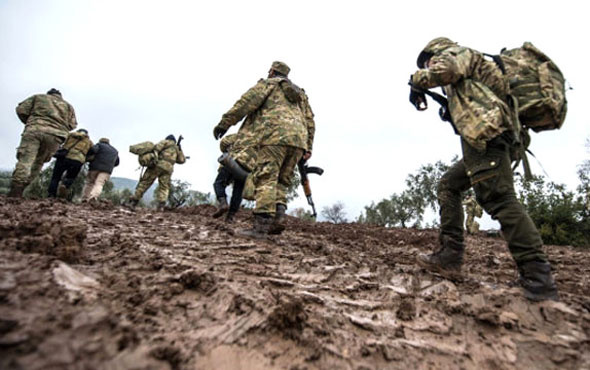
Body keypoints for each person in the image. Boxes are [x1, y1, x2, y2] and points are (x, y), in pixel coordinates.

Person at [410, 37, 558, 301]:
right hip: (485, 139)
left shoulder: (455, 53)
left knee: (499, 200)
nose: (429, 65)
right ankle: (449, 256)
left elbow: (445, 70)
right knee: (448, 185)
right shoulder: (471, 72)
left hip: (488, 137)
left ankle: (538, 279)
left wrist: (417, 79)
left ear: (436, 51)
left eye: (427, 61)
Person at [213, 61, 315, 237]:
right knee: (282, 181)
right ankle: (279, 217)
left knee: (266, 178)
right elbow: (310, 122)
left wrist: (224, 124)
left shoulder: (268, 85)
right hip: (298, 141)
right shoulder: (301, 97)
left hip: (273, 137)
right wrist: (308, 147)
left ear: (272, 71)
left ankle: (260, 227)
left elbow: (244, 104)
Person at [9, 88, 78, 197]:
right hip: (55, 136)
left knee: (26, 159)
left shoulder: (38, 97)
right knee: (39, 162)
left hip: (34, 130)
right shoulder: (68, 106)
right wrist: (59, 128)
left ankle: (16, 189)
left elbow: (21, 110)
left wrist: (30, 122)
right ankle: (23, 187)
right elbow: (72, 125)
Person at [127, 135, 185, 210]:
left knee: (145, 183)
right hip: (168, 169)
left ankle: (133, 202)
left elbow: (156, 148)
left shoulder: (165, 142)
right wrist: (179, 148)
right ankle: (161, 206)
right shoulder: (177, 149)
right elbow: (182, 160)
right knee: (164, 187)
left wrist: (153, 159)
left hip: (157, 165)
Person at [47, 128, 93, 199]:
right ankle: (65, 185)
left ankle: (51, 194)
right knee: (71, 177)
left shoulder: (70, 135)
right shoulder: (89, 142)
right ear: (87, 134)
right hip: (78, 160)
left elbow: (59, 142)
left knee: (55, 177)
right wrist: (85, 159)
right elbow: (92, 153)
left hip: (64, 157)